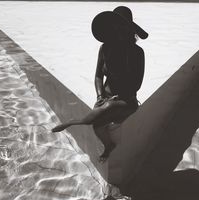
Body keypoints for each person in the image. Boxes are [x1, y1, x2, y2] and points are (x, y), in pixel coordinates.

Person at [52, 6, 148, 162]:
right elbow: (98, 76)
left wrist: (115, 99)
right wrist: (100, 95)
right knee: (97, 126)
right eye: (115, 26)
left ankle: (73, 122)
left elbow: (137, 85)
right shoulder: (105, 49)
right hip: (106, 99)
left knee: (108, 108)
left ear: (128, 29)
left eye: (121, 26)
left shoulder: (137, 53)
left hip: (126, 100)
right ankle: (109, 145)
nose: (118, 30)